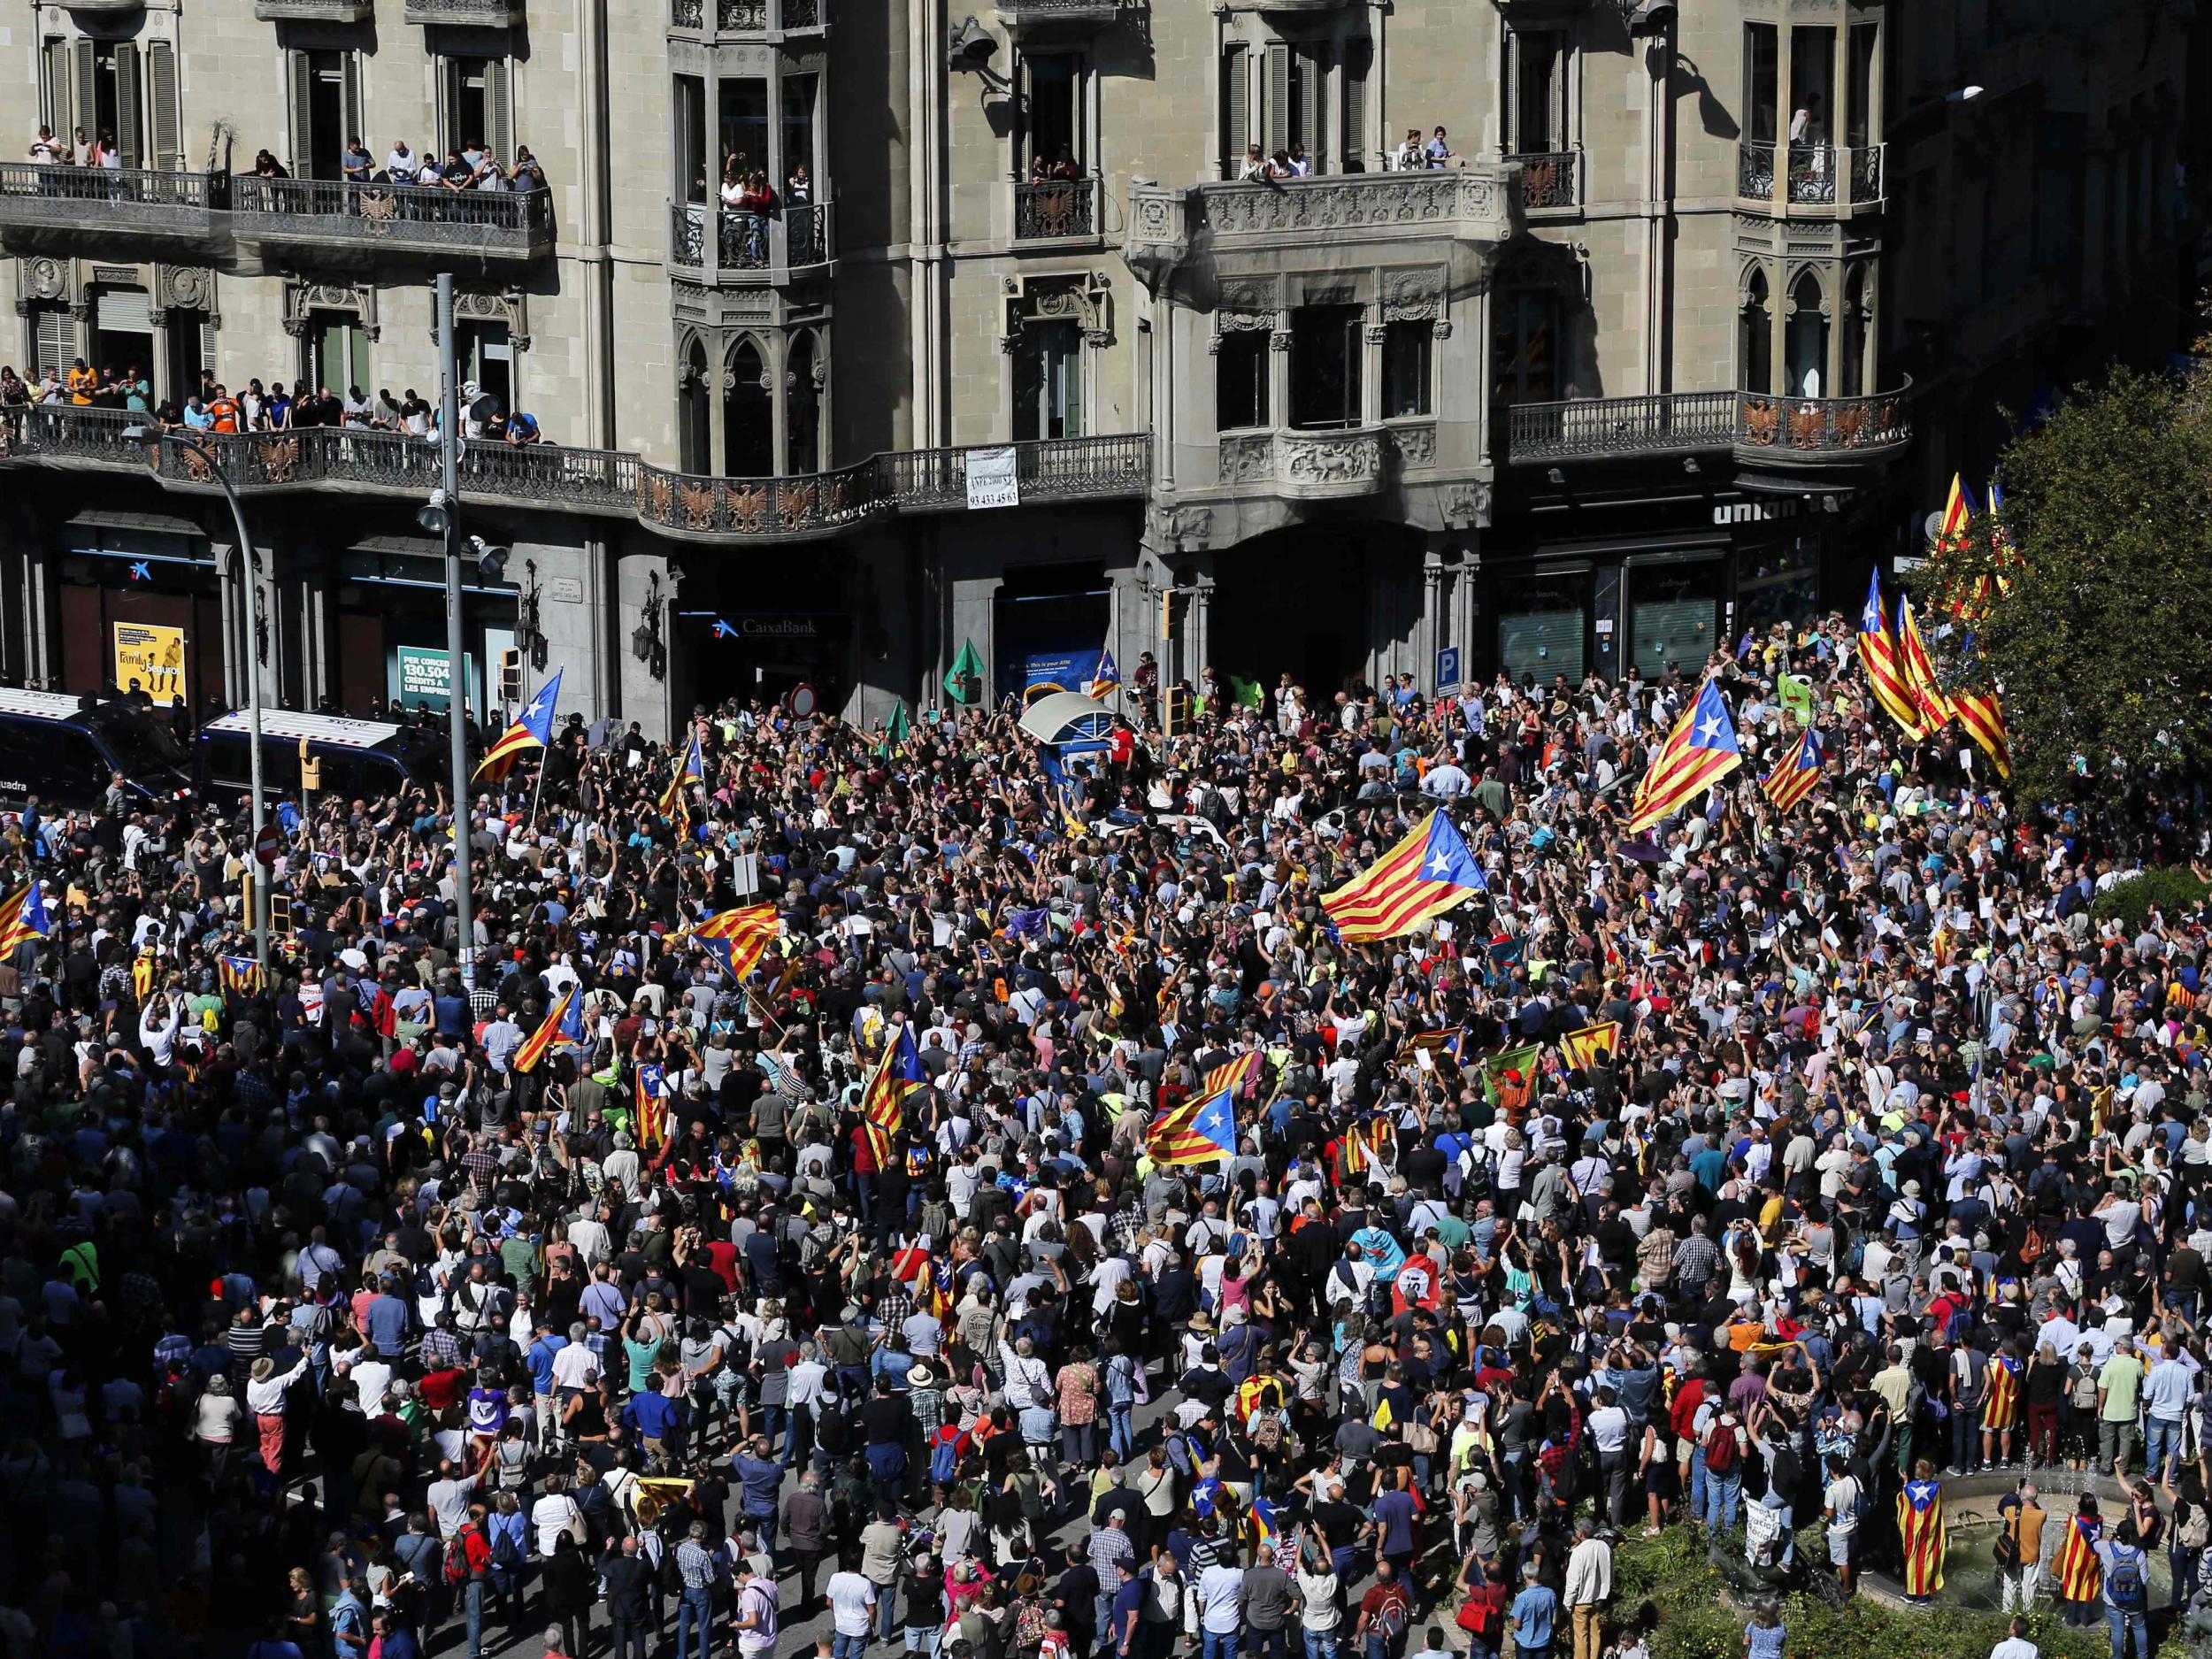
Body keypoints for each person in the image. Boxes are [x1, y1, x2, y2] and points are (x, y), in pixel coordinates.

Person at [1995, 1481, 2047, 1616]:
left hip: (2013, 1555)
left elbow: (2001, 1507)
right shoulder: (2041, 1515)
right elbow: (2035, 1507)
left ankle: (2007, 1612)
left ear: (2022, 1498)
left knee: (2010, 1584)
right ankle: (2028, 1613)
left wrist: (2016, 1494)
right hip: (2031, 1556)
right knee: (2029, 1586)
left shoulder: (2012, 1512)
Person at [1896, 1460, 1945, 1601]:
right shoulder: (1937, 1488)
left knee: (1911, 1558)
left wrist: (1905, 1482)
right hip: (1928, 1530)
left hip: (1912, 1531)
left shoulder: (1908, 1489)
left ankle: (1910, 1593)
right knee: (1926, 1558)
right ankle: (1923, 1594)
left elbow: (1901, 1502)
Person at [1504, 1563, 1556, 1659]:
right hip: (1544, 1640)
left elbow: (1517, 1624)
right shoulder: (1550, 1593)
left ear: (1525, 1576)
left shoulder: (1522, 1597)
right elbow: (1554, 1621)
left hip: (1525, 1642)